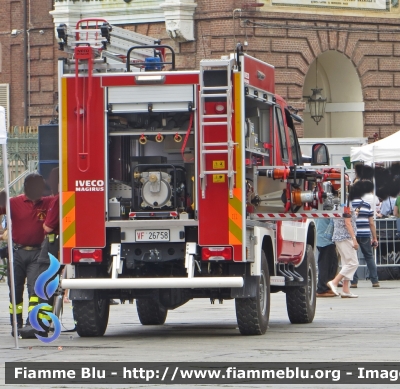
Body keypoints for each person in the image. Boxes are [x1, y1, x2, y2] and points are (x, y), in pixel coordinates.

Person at [0, 173, 53, 337]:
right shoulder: (13, 203)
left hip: (37, 253)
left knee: (34, 289)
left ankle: (32, 324)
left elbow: (62, 203)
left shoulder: (48, 202)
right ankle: (16, 323)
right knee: (14, 290)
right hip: (17, 253)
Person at [327, 184, 360, 298]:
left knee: (347, 263)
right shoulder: (347, 204)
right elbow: (347, 222)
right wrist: (354, 239)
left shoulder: (337, 204)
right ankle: (335, 282)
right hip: (345, 236)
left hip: (338, 236)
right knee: (353, 263)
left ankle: (346, 289)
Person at [351, 180, 380, 288]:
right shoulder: (367, 205)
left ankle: (354, 281)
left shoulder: (349, 205)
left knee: (353, 258)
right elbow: (371, 223)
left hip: (353, 234)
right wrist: (375, 238)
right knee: (369, 256)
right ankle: (375, 280)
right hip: (365, 234)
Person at [315, 219, 338, 297]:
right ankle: (322, 288)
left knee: (333, 263)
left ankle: (327, 286)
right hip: (325, 240)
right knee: (325, 265)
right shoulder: (327, 211)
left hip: (323, 239)